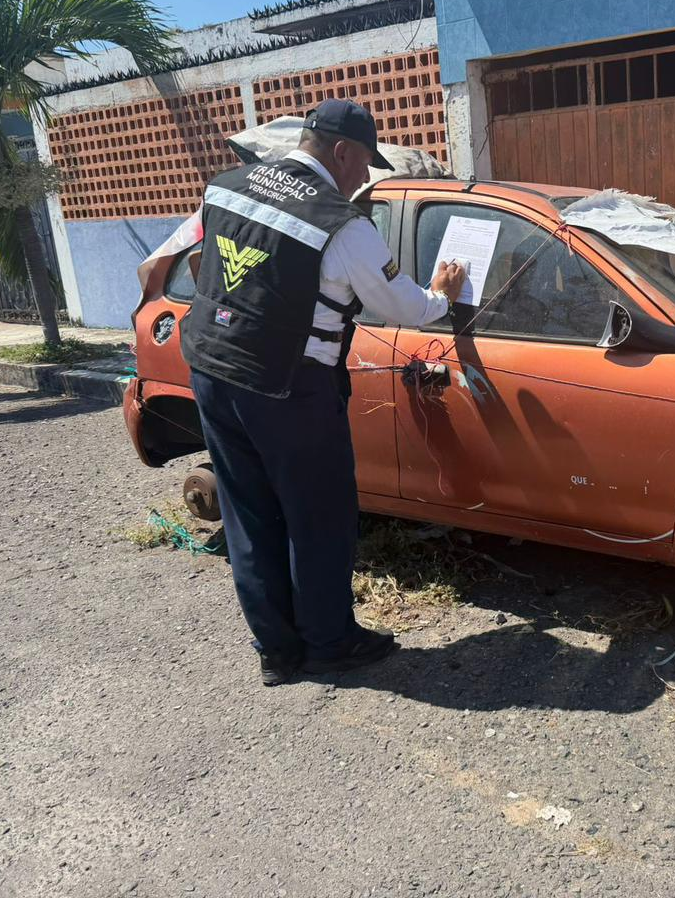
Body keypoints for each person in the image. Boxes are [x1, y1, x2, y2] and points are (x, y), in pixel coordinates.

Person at [180, 99, 466, 686]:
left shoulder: (225, 186)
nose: (363, 178)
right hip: (288, 386)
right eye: (363, 164)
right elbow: (402, 306)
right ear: (341, 151)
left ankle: (277, 652)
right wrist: (442, 293)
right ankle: (329, 644)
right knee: (319, 517)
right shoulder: (342, 223)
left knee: (249, 515)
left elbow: (203, 266)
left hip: (212, 370)